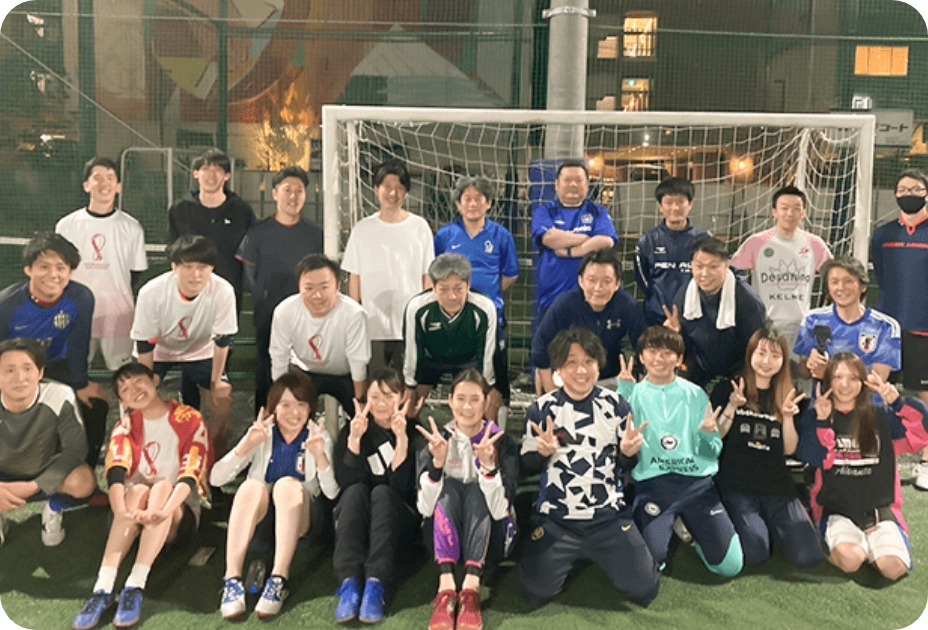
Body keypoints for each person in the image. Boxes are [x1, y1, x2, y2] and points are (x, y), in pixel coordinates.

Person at [519, 328, 660, 608]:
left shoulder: (616, 405)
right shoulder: (541, 409)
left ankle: (600, 552)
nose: (581, 370)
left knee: (645, 589)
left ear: (599, 365)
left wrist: (628, 453)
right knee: (533, 592)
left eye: (588, 362)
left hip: (607, 518)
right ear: (558, 368)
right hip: (557, 519)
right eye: (571, 362)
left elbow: (626, 465)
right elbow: (526, 466)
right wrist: (541, 454)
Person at [72, 363, 211, 630]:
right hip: (132, 516)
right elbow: (115, 473)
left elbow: (190, 475)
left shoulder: (189, 418)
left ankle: (135, 585)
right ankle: (102, 589)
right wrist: (121, 512)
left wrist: (163, 511)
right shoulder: (125, 426)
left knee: (161, 487)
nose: (134, 390)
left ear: (155, 380)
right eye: (124, 389)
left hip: (176, 514)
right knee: (136, 490)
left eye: (138, 381)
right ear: (122, 401)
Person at [617, 325, 742, 577]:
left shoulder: (695, 394)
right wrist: (623, 396)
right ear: (641, 357)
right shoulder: (632, 394)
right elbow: (621, 445)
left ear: (679, 359)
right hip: (654, 486)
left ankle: (690, 526)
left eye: (667, 353)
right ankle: (666, 522)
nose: (659, 359)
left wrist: (706, 437)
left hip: (697, 485)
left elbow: (711, 453)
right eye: (652, 352)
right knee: (647, 568)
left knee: (729, 566)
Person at [211, 372, 339, 619]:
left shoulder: (317, 436)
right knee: (250, 486)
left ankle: (279, 578)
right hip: (260, 528)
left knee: (286, 485)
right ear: (273, 407)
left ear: (310, 408)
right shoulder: (262, 433)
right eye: (285, 405)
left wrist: (320, 456)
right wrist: (246, 445)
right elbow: (216, 479)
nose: (294, 412)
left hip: (302, 524)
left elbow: (332, 491)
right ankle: (232, 580)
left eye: (301, 404)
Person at [796, 353, 928, 581]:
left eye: (853, 378)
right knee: (851, 561)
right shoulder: (816, 414)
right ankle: (825, 532)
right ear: (828, 380)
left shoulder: (881, 415)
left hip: (879, 508)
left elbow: (922, 433)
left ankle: (873, 544)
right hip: (836, 507)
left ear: (863, 382)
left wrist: (897, 403)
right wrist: (822, 421)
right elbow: (813, 456)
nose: (845, 385)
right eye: (838, 377)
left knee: (893, 569)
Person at [708, 328, 825, 569]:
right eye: (761, 353)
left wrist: (788, 417)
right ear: (750, 354)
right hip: (737, 485)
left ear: (783, 360)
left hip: (776, 486)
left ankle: (787, 516)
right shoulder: (728, 388)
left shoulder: (790, 396)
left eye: (775, 356)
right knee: (755, 554)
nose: (766, 361)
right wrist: (732, 406)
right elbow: (715, 437)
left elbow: (789, 450)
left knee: (808, 557)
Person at [416, 369, 518, 630]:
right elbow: (424, 509)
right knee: (449, 485)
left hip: (492, 540)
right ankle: (446, 588)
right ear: (450, 401)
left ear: (486, 402)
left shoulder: (502, 442)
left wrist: (488, 469)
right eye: (461, 399)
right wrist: (437, 465)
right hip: (444, 541)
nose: (467, 407)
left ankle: (471, 589)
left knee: (476, 488)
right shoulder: (437, 441)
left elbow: (501, 512)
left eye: (475, 399)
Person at [0, 232, 109, 468]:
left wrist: (80, 383)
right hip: (16, 369)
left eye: (61, 267)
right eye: (44, 267)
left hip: (57, 364)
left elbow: (79, 342)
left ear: (71, 272)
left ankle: (85, 471)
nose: (53, 275)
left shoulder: (81, 297)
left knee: (96, 403)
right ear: (28, 269)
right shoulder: (6, 304)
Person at [332, 369, 427, 624]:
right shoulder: (354, 428)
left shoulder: (416, 433)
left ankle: (376, 583)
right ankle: (349, 583)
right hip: (359, 523)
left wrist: (401, 439)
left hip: (398, 524)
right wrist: (354, 440)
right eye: (375, 396)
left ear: (402, 398)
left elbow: (404, 489)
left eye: (389, 395)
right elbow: (346, 483)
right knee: (356, 492)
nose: (381, 403)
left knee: (383, 493)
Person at [130, 235, 237, 456]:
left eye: (203, 267)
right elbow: (145, 344)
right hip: (159, 351)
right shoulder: (151, 292)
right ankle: (138, 455)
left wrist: (217, 381)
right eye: (188, 266)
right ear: (174, 267)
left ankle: (210, 460)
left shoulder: (223, 290)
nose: (195, 274)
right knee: (135, 397)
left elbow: (223, 340)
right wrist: (146, 384)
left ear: (212, 268)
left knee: (222, 398)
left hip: (201, 350)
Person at [236, 165, 323, 413]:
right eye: (287, 190)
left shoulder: (316, 234)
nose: (293, 196)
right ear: (275, 193)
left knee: (305, 368)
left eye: (299, 191)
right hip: (268, 314)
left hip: (306, 315)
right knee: (266, 368)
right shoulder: (258, 232)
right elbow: (248, 270)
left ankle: (303, 420)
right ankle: (265, 419)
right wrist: (262, 296)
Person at [434, 175, 519, 428]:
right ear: (458, 204)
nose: (472, 204)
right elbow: (434, 274)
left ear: (488, 202)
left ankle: (494, 432)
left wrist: (486, 298)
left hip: (492, 317)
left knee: (496, 377)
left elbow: (510, 274)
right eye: (467, 199)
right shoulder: (444, 235)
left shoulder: (501, 235)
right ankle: (461, 427)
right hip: (456, 320)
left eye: (478, 199)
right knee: (461, 376)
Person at [0, 338, 95, 548]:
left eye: (27, 368)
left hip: (42, 471)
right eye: (9, 370)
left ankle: (53, 508)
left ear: (40, 372)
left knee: (83, 481)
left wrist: (34, 486)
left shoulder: (59, 395)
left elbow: (75, 450)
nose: (20, 378)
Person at [55, 156, 148, 371]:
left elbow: (135, 272)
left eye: (110, 177)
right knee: (75, 370)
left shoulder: (132, 227)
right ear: (86, 185)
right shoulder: (66, 225)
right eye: (97, 177)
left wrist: (113, 293)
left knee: (122, 372)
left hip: (118, 314)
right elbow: (58, 270)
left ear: (118, 186)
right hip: (76, 312)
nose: (104, 183)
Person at [343, 158, 434, 375]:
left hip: (409, 324)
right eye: (387, 186)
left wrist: (424, 316)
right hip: (373, 325)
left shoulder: (419, 227)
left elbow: (427, 276)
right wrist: (355, 317)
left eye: (400, 187)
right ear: (376, 190)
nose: (393, 193)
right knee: (375, 385)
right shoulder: (362, 229)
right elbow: (355, 277)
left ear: (406, 192)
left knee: (408, 383)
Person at [870, 169, 928, 489]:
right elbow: (881, 275)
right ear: (895, 195)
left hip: (924, 328)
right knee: (878, 389)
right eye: (904, 189)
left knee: (925, 395)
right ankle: (877, 452)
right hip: (887, 327)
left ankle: (926, 461)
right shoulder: (883, 235)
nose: (910, 194)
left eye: (916, 189)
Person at [730, 185, 832, 355]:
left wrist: (824, 309)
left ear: (803, 213)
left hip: (800, 326)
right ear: (774, 212)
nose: (790, 213)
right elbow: (731, 275)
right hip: (763, 326)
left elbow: (834, 275)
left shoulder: (814, 243)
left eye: (796, 208)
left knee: (798, 370)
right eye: (784, 208)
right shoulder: (756, 242)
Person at [532, 248, 645, 393]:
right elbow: (540, 345)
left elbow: (644, 347)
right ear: (581, 280)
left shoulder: (627, 306)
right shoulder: (565, 304)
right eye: (592, 280)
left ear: (617, 283)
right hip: (570, 376)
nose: (598, 288)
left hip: (610, 378)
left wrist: (643, 389)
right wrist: (550, 389)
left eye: (606, 281)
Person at [403, 254, 501, 420]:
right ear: (433, 287)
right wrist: (410, 386)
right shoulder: (417, 308)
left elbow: (486, 354)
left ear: (468, 285)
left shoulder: (484, 307)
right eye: (444, 289)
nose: (452, 296)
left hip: (469, 360)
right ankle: (409, 433)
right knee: (409, 405)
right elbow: (412, 351)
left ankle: (486, 435)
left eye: (458, 288)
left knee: (488, 404)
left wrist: (488, 388)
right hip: (431, 358)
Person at [269, 254, 370, 415]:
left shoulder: (354, 314)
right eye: (309, 288)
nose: (317, 295)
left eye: (324, 287)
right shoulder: (284, 311)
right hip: (304, 372)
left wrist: (360, 402)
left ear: (337, 286)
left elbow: (358, 361)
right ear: (299, 287)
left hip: (345, 374)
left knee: (362, 415)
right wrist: (279, 401)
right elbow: (278, 356)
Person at [664, 236, 766, 387]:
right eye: (699, 266)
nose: (705, 273)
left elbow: (755, 347)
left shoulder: (748, 301)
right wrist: (674, 334)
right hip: (700, 362)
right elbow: (684, 344)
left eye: (713, 267)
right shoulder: (684, 295)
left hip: (738, 365)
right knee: (677, 385)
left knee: (726, 394)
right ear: (691, 266)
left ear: (727, 265)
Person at [531, 159, 617, 328]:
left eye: (578, 180)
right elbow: (549, 238)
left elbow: (606, 241)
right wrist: (586, 239)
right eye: (567, 180)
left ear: (587, 185)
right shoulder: (544, 211)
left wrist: (570, 251)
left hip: (591, 300)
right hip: (551, 298)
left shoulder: (598, 212)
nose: (573, 185)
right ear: (557, 184)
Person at [168, 148, 255, 314]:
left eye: (218, 170)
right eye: (206, 169)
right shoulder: (180, 209)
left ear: (227, 175)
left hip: (229, 291)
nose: (211, 175)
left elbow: (250, 252)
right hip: (189, 292)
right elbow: (173, 249)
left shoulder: (242, 211)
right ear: (195, 173)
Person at [794, 256, 900, 383]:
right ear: (828, 288)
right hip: (823, 396)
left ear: (863, 286)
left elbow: (877, 380)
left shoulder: (885, 326)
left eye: (848, 281)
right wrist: (811, 364)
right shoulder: (812, 320)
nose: (841, 287)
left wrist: (830, 374)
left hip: (867, 397)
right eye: (834, 282)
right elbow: (803, 373)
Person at [635, 177, 711, 326]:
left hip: (695, 316)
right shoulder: (647, 241)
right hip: (656, 316)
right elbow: (642, 279)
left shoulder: (704, 239)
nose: (675, 208)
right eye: (669, 202)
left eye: (681, 202)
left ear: (690, 204)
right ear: (660, 206)